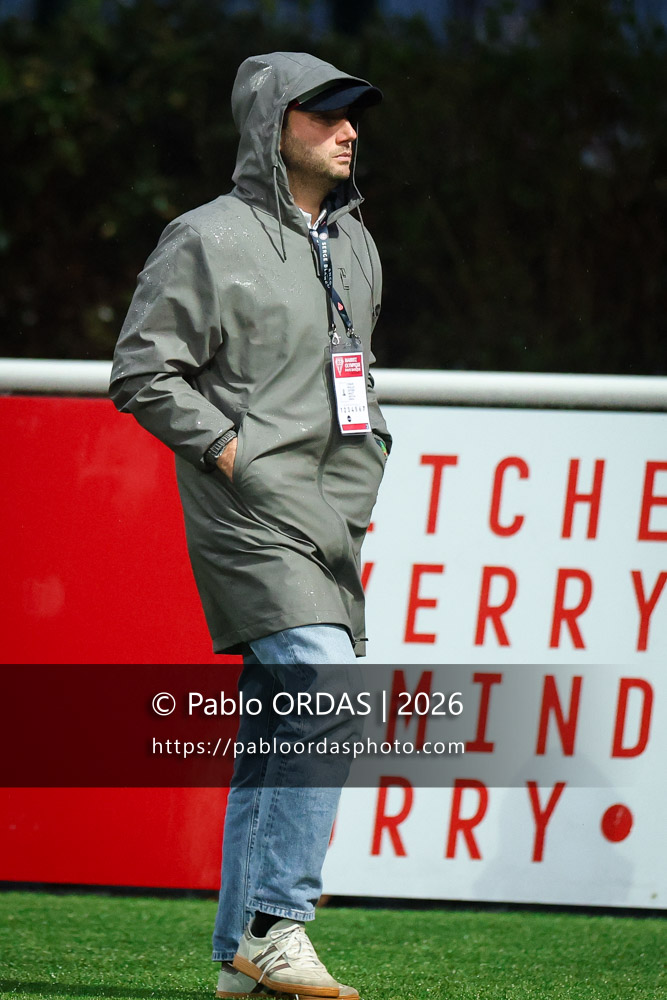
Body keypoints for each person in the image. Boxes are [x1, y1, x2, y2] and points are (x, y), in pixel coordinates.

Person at [109, 51, 391, 999]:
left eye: (354, 116)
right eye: (327, 114)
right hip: (245, 508)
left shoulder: (356, 243)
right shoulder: (205, 236)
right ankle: (278, 923)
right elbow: (142, 371)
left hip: (331, 515)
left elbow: (355, 376)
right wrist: (233, 452)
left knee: (278, 730)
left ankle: (240, 955)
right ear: (274, 123)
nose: (348, 131)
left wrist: (367, 462)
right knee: (328, 684)